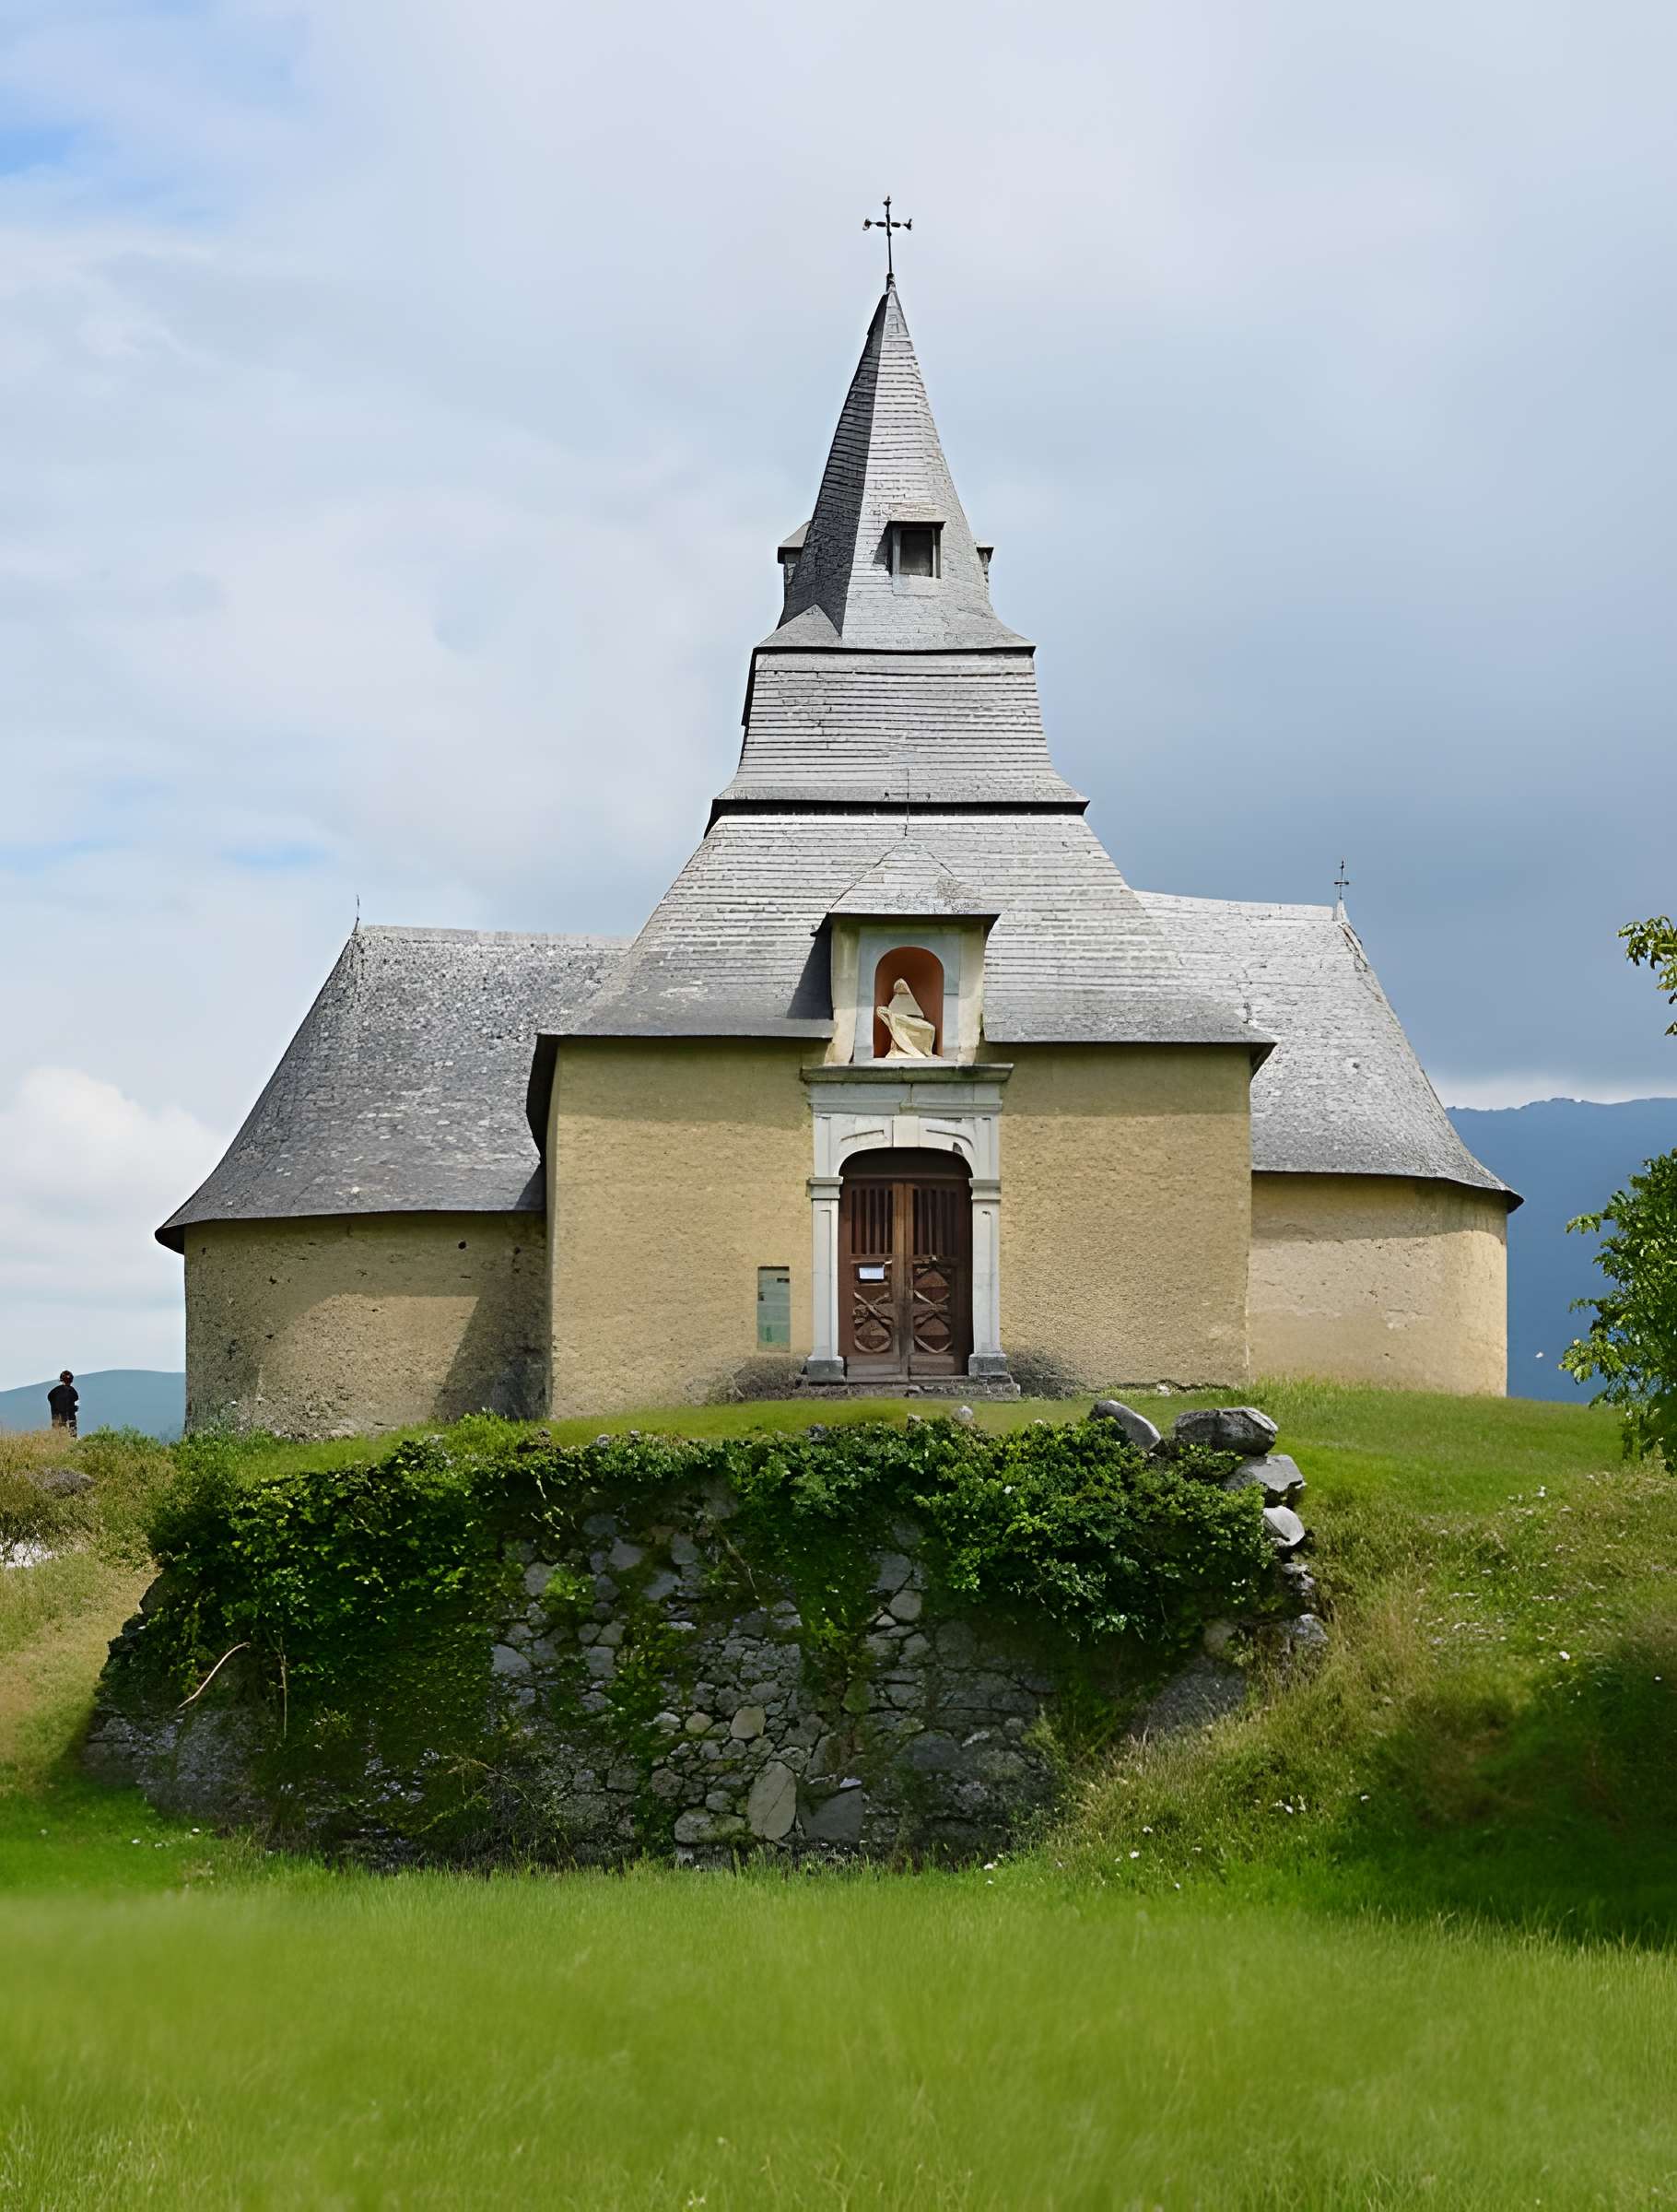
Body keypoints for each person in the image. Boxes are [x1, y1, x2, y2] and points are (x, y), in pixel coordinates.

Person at [47, 1370, 77, 1435]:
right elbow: (76, 1398)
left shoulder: (54, 1392)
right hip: (70, 1417)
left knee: (57, 1434)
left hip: (56, 1418)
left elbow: (50, 1398)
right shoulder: (72, 1390)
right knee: (72, 1435)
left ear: (61, 1380)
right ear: (71, 1380)